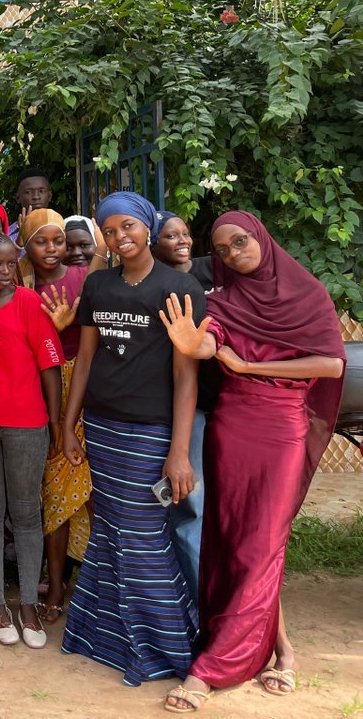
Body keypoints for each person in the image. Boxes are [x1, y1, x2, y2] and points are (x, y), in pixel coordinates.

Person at [158, 212, 345, 713]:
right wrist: (200, 346)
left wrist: (248, 365)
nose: (234, 253)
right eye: (222, 250)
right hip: (230, 428)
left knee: (262, 544)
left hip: (282, 430)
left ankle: (211, 669)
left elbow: (331, 363)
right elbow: (212, 339)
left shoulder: (308, 295)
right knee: (238, 542)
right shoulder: (223, 298)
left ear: (260, 236)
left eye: (240, 242)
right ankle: (280, 649)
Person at [59, 192, 203, 687]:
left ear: (147, 226)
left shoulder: (178, 287)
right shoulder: (98, 286)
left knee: (143, 539)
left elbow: (187, 377)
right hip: (102, 428)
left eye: (129, 227)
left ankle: (167, 648)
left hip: (150, 431)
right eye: (111, 230)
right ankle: (106, 638)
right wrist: (68, 423)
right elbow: (86, 361)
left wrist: (179, 451)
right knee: (111, 532)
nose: (121, 237)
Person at [0, 229, 62, 649]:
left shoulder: (28, 304)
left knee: (25, 513)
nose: (7, 271)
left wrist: (57, 423)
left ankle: (27, 604)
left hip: (27, 425)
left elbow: (50, 368)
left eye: (12, 263)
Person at [22, 208, 93, 623]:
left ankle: (98, 583)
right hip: (41, 391)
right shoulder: (18, 283)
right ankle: (56, 586)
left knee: (95, 491)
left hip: (84, 391)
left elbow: (94, 343)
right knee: (54, 494)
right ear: (26, 246)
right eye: (42, 242)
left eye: (58, 241)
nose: (52, 249)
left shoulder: (85, 281)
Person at [152, 209, 215, 601]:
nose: (182, 241)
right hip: (171, 405)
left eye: (186, 234)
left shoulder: (213, 274)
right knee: (177, 505)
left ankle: (203, 601)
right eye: (171, 236)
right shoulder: (154, 285)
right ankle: (181, 599)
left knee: (195, 505)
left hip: (215, 404)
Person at [154, 211, 214, 290]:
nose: (184, 241)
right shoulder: (152, 283)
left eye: (186, 234)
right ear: (152, 243)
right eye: (171, 236)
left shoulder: (212, 265)